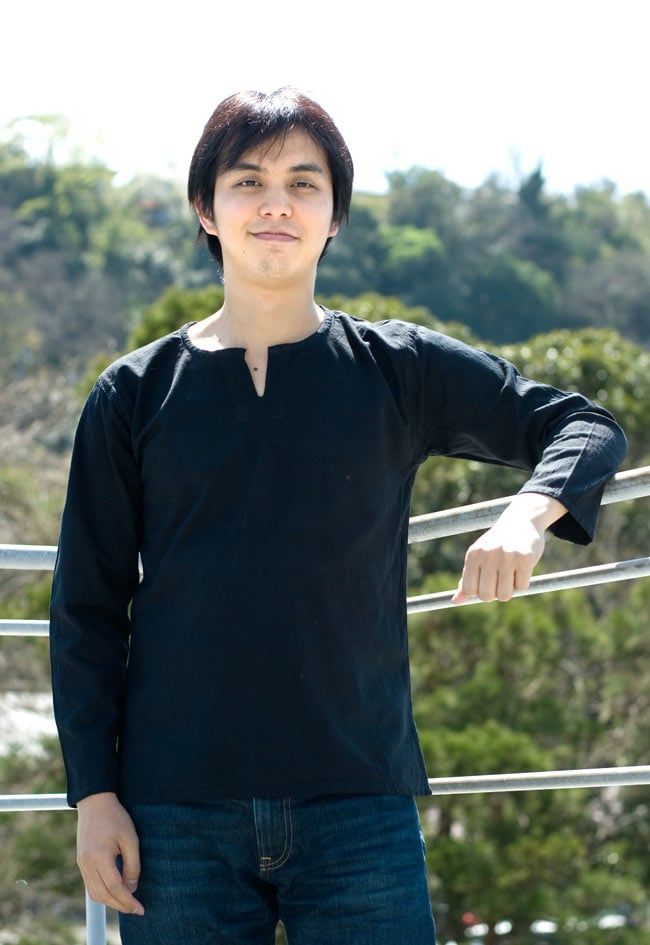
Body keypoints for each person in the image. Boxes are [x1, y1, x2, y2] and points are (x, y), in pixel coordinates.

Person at [49, 87, 627, 945]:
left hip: (359, 802)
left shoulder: (398, 369)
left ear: (335, 215)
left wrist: (525, 517)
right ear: (205, 208)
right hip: (174, 809)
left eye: (303, 183)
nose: (276, 203)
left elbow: (583, 425)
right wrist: (95, 796)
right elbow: (86, 609)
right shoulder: (132, 393)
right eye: (248, 181)